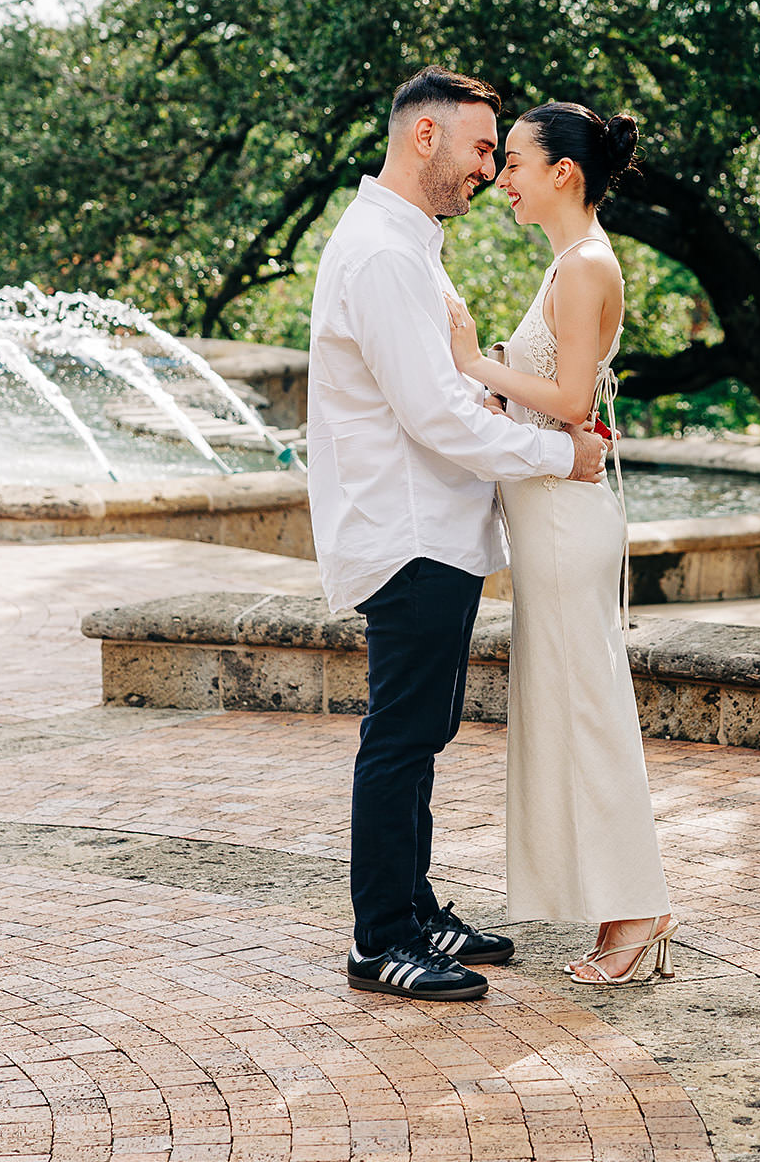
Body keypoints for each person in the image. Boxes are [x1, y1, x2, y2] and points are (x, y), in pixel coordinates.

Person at [307, 66, 608, 1003]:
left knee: (426, 727)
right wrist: (562, 458)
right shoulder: (385, 255)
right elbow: (436, 415)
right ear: (424, 138)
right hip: (407, 532)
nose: (491, 166)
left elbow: (444, 388)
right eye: (483, 147)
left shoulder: (410, 243)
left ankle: (415, 904)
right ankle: (379, 938)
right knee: (399, 736)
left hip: (434, 525)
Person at [445, 102, 676, 986]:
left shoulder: (584, 268)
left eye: (514, 164)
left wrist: (473, 361)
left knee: (591, 715)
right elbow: (549, 393)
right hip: (545, 521)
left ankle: (640, 911)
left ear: (562, 174)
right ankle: (617, 903)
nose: (501, 181)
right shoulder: (569, 266)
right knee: (566, 712)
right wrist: (498, 386)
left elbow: (574, 401)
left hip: (565, 524)